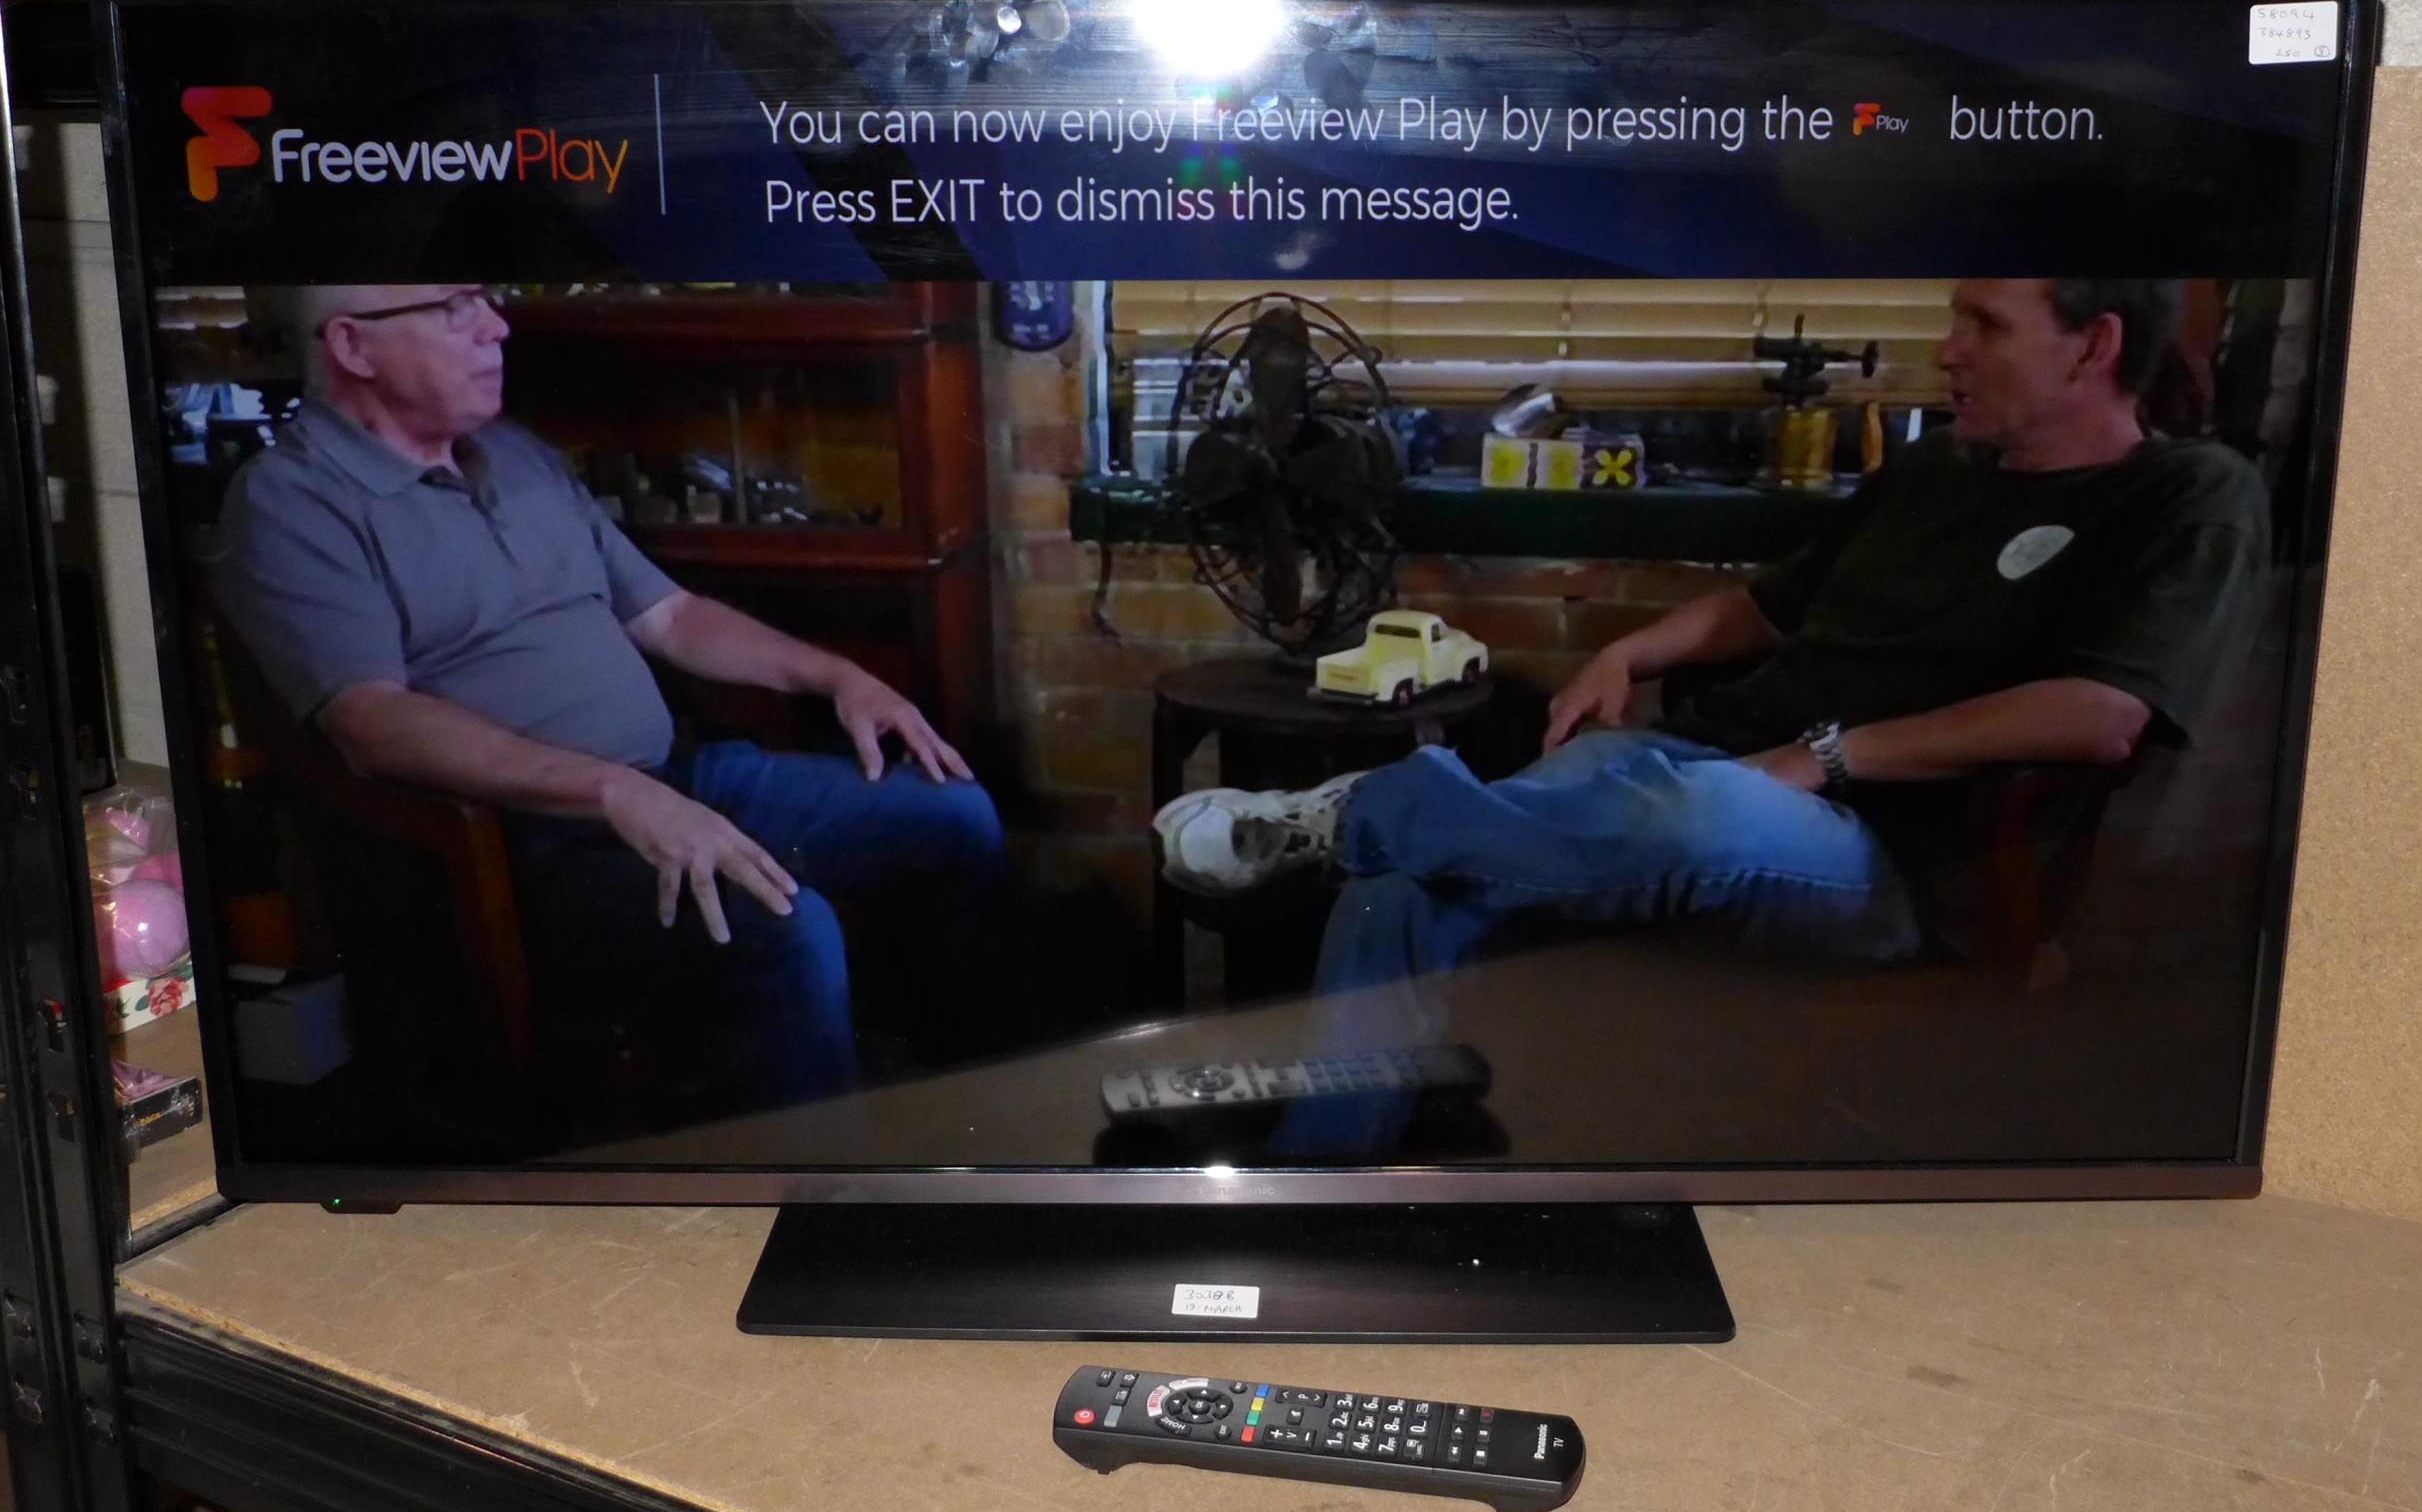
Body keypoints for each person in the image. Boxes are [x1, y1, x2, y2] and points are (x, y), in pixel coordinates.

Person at [1155, 278, 2271, 1014]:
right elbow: (1768, 607)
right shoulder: (1935, 470)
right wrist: (1630, 655)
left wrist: (1825, 758)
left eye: (1984, 325)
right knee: (1402, 889)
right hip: (1705, 763)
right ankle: (1341, 1183)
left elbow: (2100, 715)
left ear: (2094, 346)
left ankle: (1352, 811)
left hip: (1890, 851)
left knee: (1687, 811)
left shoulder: (2187, 493)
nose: (1948, 349)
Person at [209, 283, 1004, 1112]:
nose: (496, 326)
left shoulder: (513, 454)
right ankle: (810, 1173)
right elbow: (369, 720)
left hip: (674, 780)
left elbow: (671, 616)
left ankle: (956, 1103)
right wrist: (612, 790)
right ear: (352, 345)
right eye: (454, 309)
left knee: (955, 817)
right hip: (521, 851)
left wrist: (838, 676)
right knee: (789, 926)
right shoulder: (289, 503)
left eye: (487, 299)